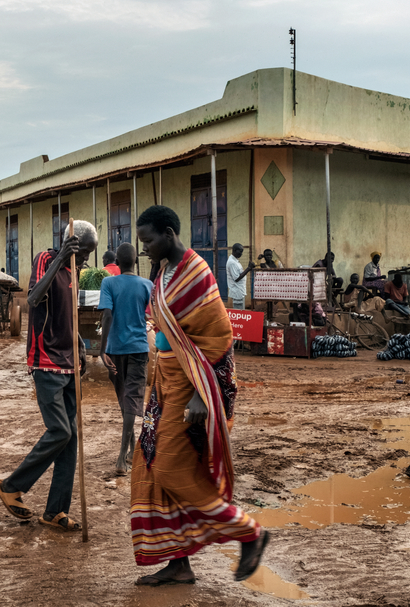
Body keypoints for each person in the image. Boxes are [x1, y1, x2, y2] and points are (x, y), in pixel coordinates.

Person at [132, 205, 267, 586]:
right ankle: (179, 563)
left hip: (190, 385)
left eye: (148, 240)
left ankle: (248, 532)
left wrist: (198, 396)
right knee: (150, 465)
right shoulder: (163, 271)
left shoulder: (196, 272)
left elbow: (218, 336)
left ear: (169, 234)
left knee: (171, 466)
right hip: (164, 381)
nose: (144, 249)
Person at [0, 221, 97, 532]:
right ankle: (11, 485)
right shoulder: (45, 260)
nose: (86, 260)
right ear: (71, 244)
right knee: (60, 431)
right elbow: (34, 299)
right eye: (84, 252)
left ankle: (55, 511)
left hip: (68, 363)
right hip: (46, 361)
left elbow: (69, 315)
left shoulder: (74, 272)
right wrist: (60, 258)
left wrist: (79, 344)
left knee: (71, 437)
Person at [98, 242, 154, 477]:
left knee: (124, 398)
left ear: (117, 263)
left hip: (116, 349)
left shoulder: (108, 282)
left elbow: (107, 314)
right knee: (130, 399)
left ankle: (123, 456)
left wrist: (103, 349)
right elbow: (150, 315)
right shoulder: (147, 284)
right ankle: (129, 451)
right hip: (139, 348)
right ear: (136, 262)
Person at [225, 244, 254, 309]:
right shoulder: (232, 262)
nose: (241, 254)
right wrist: (248, 268)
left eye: (242, 251)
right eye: (240, 251)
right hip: (237, 292)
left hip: (239, 291)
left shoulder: (235, 261)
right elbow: (237, 278)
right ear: (234, 250)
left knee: (241, 312)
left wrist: (249, 268)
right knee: (239, 313)